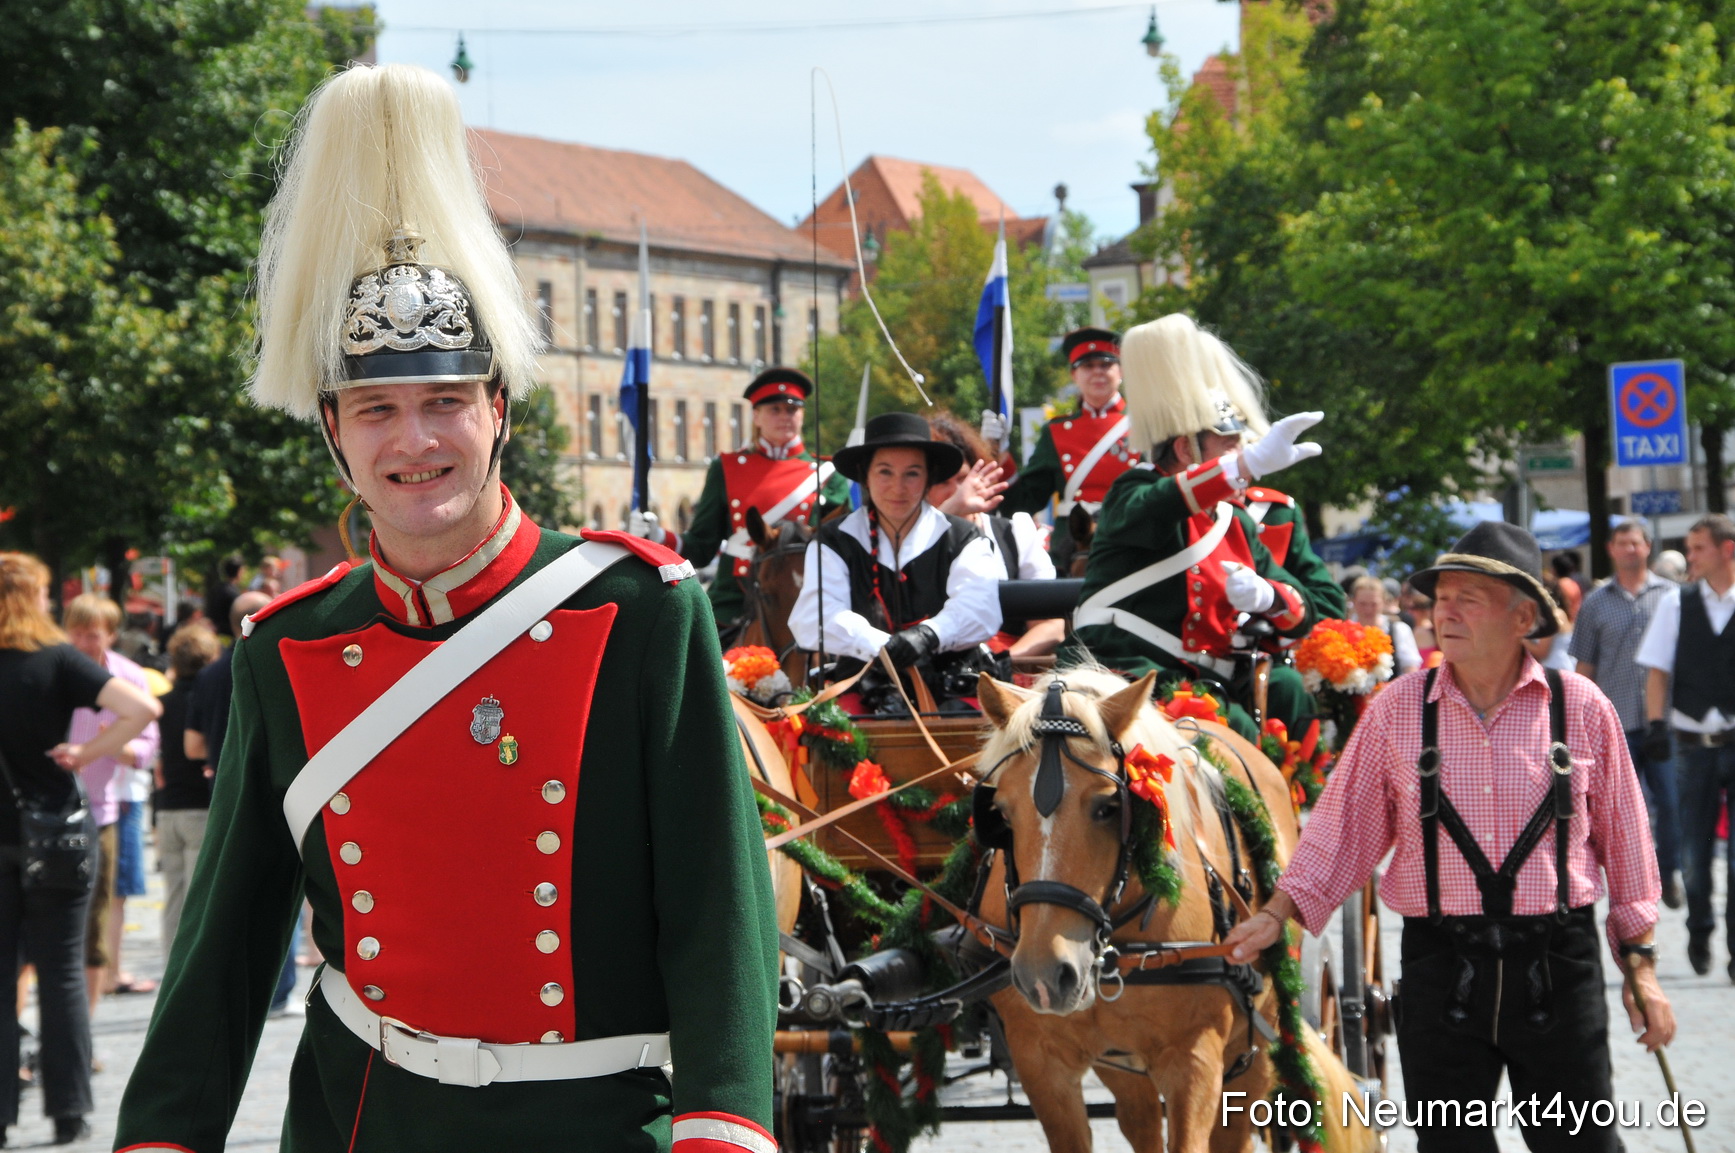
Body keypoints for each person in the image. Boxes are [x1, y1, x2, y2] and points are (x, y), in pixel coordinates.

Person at [114, 63, 777, 1153]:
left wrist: (723, 1127)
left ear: (498, 410)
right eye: (376, 408)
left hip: (591, 1124)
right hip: (360, 1122)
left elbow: (717, 909)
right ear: (334, 429)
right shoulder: (289, 648)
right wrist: (162, 1137)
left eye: (444, 401)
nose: (414, 440)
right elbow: (222, 948)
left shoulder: (640, 610)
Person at [1226, 521, 1671, 1153]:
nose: (1445, 612)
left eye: (1469, 598)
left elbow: (1628, 848)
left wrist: (1642, 970)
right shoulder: (1398, 710)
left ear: (1523, 618)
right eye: (1440, 598)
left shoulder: (1581, 707)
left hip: (1556, 964)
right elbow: (1341, 831)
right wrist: (1277, 914)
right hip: (1441, 966)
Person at [1060, 314, 1345, 739]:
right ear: (1184, 448)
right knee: (1229, 731)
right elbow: (1159, 504)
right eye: (1230, 449)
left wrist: (1270, 596)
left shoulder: (1235, 522)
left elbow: (1311, 604)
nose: (1241, 460)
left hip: (1202, 682)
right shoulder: (1134, 489)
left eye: (1242, 452)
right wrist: (1244, 466)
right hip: (1125, 671)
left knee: (1268, 716)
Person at [0, 554, 160, 1145]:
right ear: (34, 598)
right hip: (59, 836)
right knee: (63, 971)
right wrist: (85, 754)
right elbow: (143, 709)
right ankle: (70, 1110)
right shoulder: (59, 660)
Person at [790, 411, 1003, 713]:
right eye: (885, 472)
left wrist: (928, 636)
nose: (898, 487)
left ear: (928, 477)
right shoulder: (834, 540)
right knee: (835, 731)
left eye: (912, 473)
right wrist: (881, 646)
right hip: (863, 683)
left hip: (953, 683)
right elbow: (816, 615)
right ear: (865, 475)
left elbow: (980, 607)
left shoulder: (963, 537)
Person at [632, 367, 850, 637]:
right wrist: (656, 536)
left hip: (804, 601)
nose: (785, 417)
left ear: (802, 415)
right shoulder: (726, 468)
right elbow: (701, 547)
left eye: (792, 409)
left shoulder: (828, 475)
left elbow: (840, 549)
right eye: (775, 410)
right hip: (734, 604)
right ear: (756, 416)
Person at [1636, 512, 1735, 979]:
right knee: (1694, 852)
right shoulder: (1676, 603)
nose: (1689, 557)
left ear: (1727, 550)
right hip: (1692, 744)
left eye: (1698, 548)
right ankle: (1699, 926)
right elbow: (1657, 671)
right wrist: (1657, 725)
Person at [1570, 519, 1680, 909]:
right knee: (1619, 812)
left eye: (1636, 542)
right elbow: (1584, 666)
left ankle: (1668, 872)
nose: (1630, 549)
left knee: (1671, 804)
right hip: (1614, 724)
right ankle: (1629, 882)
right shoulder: (1595, 603)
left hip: (1665, 721)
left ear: (1648, 547)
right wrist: (1578, 720)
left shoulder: (1672, 597)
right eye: (1622, 543)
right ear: (1611, 549)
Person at [61, 594, 160, 1018]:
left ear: (111, 635)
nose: (83, 643)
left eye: (93, 635)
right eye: (77, 633)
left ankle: (84, 1021)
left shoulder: (128, 677)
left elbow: (148, 746)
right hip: (49, 807)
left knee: (96, 916)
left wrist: (111, 745)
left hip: (102, 810)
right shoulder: (54, 669)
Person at [999, 327, 1139, 569]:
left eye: (1106, 364)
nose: (1097, 372)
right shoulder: (1056, 431)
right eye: (1088, 366)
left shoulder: (1143, 424)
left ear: (1121, 371)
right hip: (1074, 548)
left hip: (1130, 541)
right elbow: (1025, 501)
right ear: (1074, 375)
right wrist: (1000, 454)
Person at [925, 412, 1062, 659]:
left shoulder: (1014, 534)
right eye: (943, 482)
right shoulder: (905, 540)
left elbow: (1050, 626)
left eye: (964, 478)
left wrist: (999, 663)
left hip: (1005, 667)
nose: (960, 491)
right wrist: (947, 515)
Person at [154, 623, 221, 962]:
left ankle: (171, 966)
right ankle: (192, 969)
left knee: (174, 895)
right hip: (200, 805)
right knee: (199, 899)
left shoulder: (162, 702)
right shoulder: (210, 696)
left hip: (167, 808)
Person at [1350, 575, 1420, 675]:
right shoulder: (1345, 631)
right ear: (1353, 601)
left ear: (1383, 602)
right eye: (1362, 604)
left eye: (1374, 604)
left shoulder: (1399, 629)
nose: (1368, 609)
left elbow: (1410, 669)